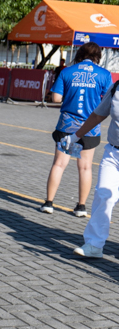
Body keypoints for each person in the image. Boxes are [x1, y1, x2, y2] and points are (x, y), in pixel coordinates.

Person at [40, 43, 112, 217]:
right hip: (90, 127)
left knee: (59, 164)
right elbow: (109, 101)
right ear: (98, 56)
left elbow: (56, 98)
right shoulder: (104, 75)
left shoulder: (67, 72)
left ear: (79, 54)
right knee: (85, 167)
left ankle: (49, 203)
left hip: (67, 126)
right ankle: (81, 207)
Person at [70, 82, 119, 258]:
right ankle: (94, 244)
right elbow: (98, 115)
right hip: (113, 153)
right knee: (103, 195)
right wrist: (75, 136)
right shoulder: (116, 88)